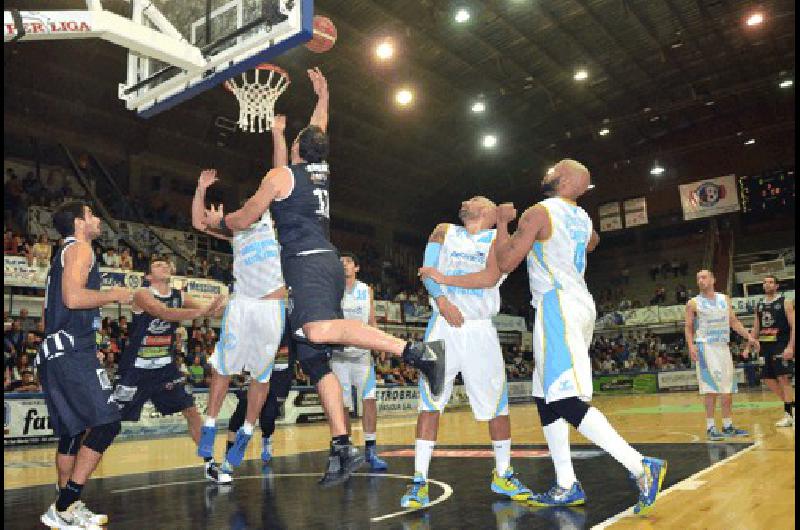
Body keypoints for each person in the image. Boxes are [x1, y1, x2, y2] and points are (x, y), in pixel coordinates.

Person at [201, 68, 446, 487]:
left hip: (310, 261)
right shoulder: (319, 169)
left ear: (297, 148)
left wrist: (228, 221)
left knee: (317, 330)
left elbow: (245, 216)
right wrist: (324, 94)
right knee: (315, 363)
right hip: (316, 263)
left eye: (296, 137)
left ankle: (414, 352)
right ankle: (341, 446)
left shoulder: (281, 176)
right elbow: (320, 128)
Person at [492, 160, 666, 514]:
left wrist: (501, 223)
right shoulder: (583, 218)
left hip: (557, 304)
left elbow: (506, 262)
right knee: (545, 396)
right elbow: (592, 244)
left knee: (564, 398)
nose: (545, 174)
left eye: (552, 170)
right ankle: (566, 483)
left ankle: (639, 465)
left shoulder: (538, 212)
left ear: (567, 180)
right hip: (577, 303)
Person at [408, 196, 533, 508]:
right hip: (442, 325)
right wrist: (443, 300)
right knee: (430, 401)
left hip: (479, 329)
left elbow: (489, 277)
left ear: (491, 213)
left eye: (477, 199)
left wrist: (446, 281)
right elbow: (427, 270)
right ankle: (419, 482)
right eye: (467, 199)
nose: (466, 200)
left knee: (497, 407)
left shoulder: (498, 239)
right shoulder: (443, 230)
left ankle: (503, 474)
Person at [192, 116, 289, 475]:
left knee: (260, 378)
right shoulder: (236, 229)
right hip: (241, 303)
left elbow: (280, 172)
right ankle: (210, 424)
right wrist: (201, 188)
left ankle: (247, 431)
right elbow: (199, 223)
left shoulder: (274, 222)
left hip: (270, 306)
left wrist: (278, 133)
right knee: (222, 367)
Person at [38, 201, 134, 528]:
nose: (97, 220)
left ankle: (66, 503)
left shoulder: (62, 253)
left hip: (55, 350)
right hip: (71, 351)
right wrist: (114, 295)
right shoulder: (81, 249)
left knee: (72, 432)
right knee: (107, 424)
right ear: (79, 222)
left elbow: (53, 308)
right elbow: (73, 299)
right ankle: (65, 505)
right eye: (91, 215)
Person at [112, 257, 228, 483]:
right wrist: (202, 311)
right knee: (108, 419)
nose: (163, 265)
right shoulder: (142, 294)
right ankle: (75, 460)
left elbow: (212, 313)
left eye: (166, 264)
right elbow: (163, 312)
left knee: (192, 411)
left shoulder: (180, 295)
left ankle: (210, 463)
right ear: (148, 276)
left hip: (165, 368)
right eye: (157, 265)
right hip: (135, 369)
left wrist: (224, 307)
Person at [685, 269, 759, 440]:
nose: (700, 281)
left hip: (723, 347)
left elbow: (733, 322)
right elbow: (688, 328)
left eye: (704, 277)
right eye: (698, 279)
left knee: (728, 389)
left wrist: (750, 337)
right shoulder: (693, 303)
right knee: (710, 389)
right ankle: (710, 427)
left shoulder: (724, 299)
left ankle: (727, 425)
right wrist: (691, 346)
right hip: (705, 347)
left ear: (713, 279)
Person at [330, 252, 388, 471]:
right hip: (340, 357)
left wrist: (381, 344)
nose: (344, 265)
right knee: (342, 405)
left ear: (357, 267)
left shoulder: (366, 290)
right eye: (340, 263)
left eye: (348, 262)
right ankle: (346, 451)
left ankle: (371, 450)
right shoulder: (332, 290)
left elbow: (372, 321)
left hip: (362, 356)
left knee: (369, 400)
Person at [751, 275, 794, 427]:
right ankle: (792, 406)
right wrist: (748, 345)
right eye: (765, 282)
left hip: (780, 344)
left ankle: (789, 414)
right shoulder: (759, 304)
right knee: (768, 379)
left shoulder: (785, 301)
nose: (767, 285)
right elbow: (756, 327)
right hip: (765, 346)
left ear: (776, 286)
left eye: (771, 282)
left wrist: (790, 346)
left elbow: (793, 325)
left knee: (783, 379)